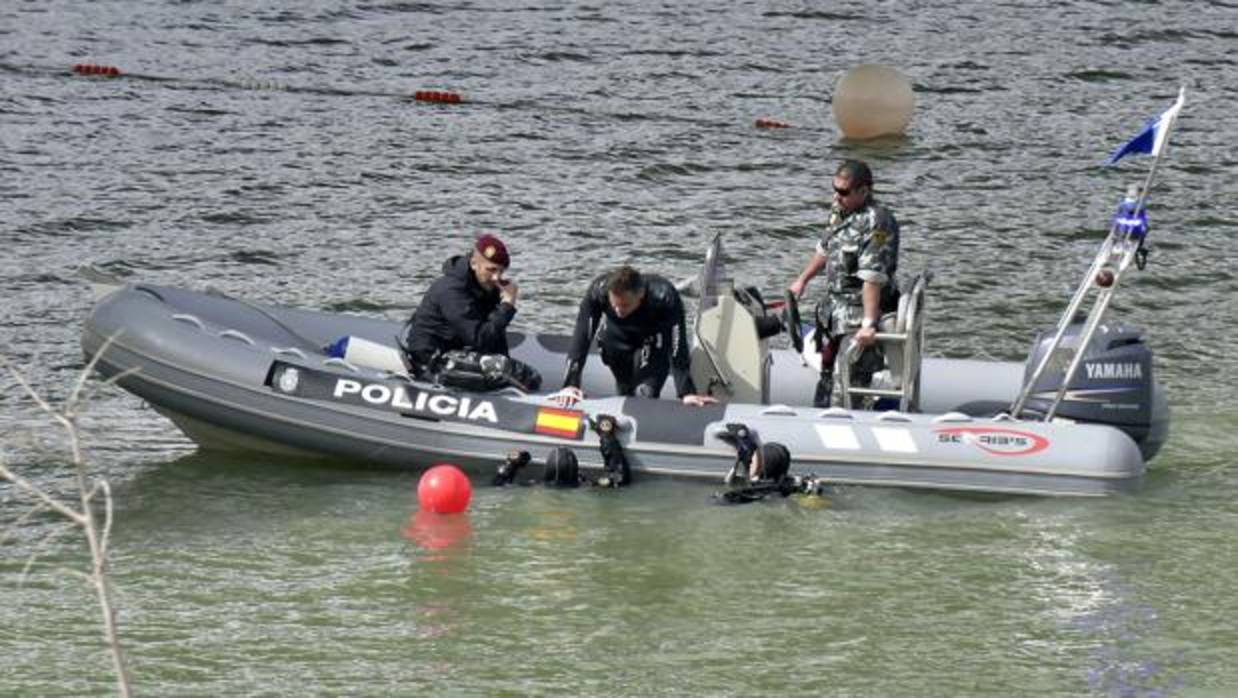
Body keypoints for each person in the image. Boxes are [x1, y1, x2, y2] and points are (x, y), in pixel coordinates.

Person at [789, 159, 899, 408]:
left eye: (843, 192)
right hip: (835, 314)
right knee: (827, 380)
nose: (836, 196)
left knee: (847, 390)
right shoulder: (840, 212)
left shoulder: (877, 222)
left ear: (864, 191)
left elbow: (872, 278)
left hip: (857, 318)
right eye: (834, 188)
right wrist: (802, 280)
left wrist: (869, 324)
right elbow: (825, 249)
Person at [552, 265, 715, 408]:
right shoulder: (599, 290)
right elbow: (582, 334)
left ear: (641, 294)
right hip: (616, 340)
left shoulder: (664, 295)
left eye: (625, 305)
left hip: (652, 341)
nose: (618, 310)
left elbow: (677, 343)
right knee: (625, 389)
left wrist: (686, 392)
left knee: (646, 394)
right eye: (614, 305)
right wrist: (570, 384)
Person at [401, 234, 541, 390]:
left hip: (457, 351)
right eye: (491, 269)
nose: (496, 277)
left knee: (525, 376)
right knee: (519, 375)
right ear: (474, 263)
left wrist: (501, 360)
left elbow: (494, 336)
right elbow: (480, 339)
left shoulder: (485, 285)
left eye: (501, 271)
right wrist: (507, 306)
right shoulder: (452, 290)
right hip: (431, 361)